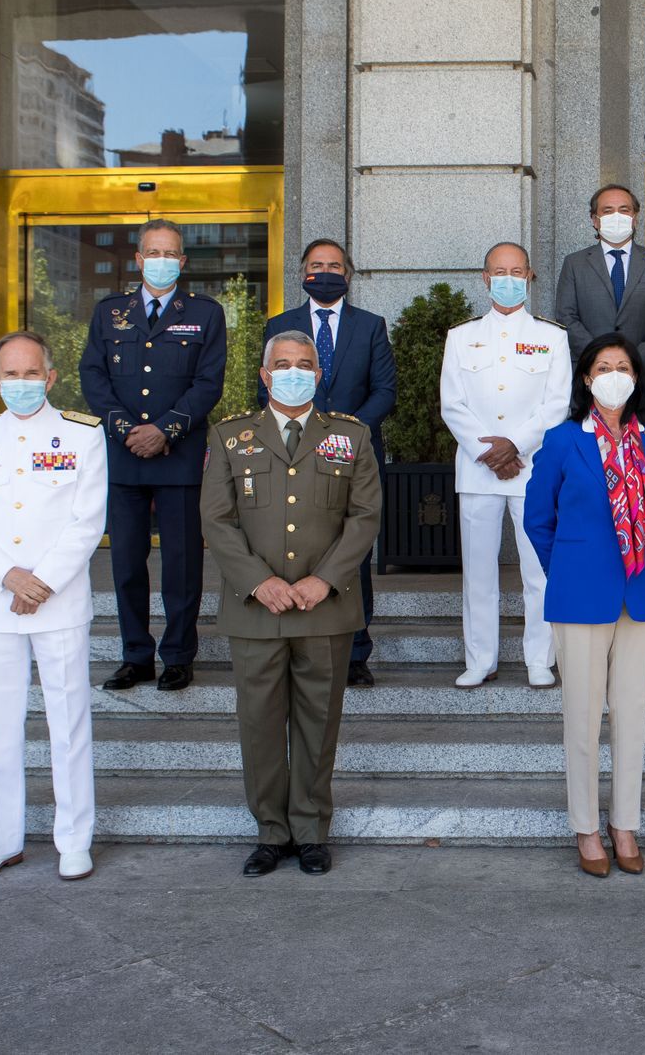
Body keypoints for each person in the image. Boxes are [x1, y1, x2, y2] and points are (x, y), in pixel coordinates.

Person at [201, 330, 381, 878]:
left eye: (305, 364)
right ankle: (269, 832)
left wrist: (324, 579)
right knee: (258, 725)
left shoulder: (350, 436)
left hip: (324, 607)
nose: (294, 372)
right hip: (256, 608)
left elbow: (365, 516)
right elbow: (217, 519)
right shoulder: (231, 437)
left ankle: (310, 830)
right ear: (264, 374)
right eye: (283, 364)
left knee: (317, 722)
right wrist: (260, 581)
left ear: (319, 374)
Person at [0, 332, 107, 884]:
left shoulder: (81, 435)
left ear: (51, 377)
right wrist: (7, 576)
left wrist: (40, 582)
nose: (21, 384)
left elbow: (87, 519)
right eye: (10, 375)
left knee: (69, 723)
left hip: (58, 604)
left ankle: (74, 840)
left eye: (31, 373)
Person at [524, 334, 645, 877]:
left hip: (642, 594)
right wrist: (570, 567)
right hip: (580, 595)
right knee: (583, 718)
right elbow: (538, 520)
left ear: (636, 378)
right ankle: (587, 828)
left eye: (623, 366)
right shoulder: (562, 441)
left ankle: (624, 824)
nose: (614, 373)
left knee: (631, 714)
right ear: (586, 379)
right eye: (603, 366)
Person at [79, 217, 227, 693]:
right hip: (124, 458)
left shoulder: (205, 313)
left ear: (182, 262)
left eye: (171, 254)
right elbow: (93, 378)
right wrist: (126, 430)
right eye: (153, 253)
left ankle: (179, 655)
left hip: (179, 456)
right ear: (139, 259)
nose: (161, 261)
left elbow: (209, 382)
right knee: (125, 561)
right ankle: (135, 655)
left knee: (182, 565)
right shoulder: (109, 312)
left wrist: (165, 429)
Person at [262, 238, 398, 687]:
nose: (326, 272)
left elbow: (384, 390)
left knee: (352, 553)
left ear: (348, 274)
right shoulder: (280, 325)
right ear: (302, 272)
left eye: (335, 265)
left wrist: (346, 434)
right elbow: (266, 389)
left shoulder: (371, 326)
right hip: (289, 454)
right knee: (293, 543)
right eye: (317, 265)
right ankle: (295, 642)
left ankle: (356, 652)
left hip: (353, 455)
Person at [440, 241, 572, 689]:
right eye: (500, 271)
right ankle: (480, 659)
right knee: (478, 572)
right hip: (478, 469)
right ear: (485, 278)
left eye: (518, 271)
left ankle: (540, 657)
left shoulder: (552, 337)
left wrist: (514, 445)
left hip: (531, 468)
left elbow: (556, 406)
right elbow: (452, 404)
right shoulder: (460, 337)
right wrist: (490, 452)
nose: (509, 279)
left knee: (538, 570)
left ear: (530, 277)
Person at [554, 184, 645, 365]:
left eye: (624, 210)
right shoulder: (574, 263)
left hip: (643, 373)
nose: (616, 216)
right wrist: (599, 357)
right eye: (608, 211)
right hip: (590, 369)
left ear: (635, 218)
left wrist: (635, 359)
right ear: (595, 220)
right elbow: (566, 316)